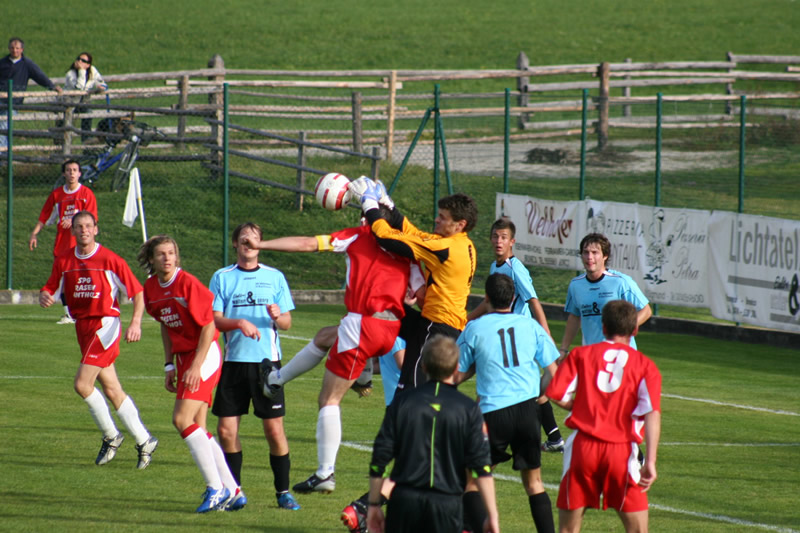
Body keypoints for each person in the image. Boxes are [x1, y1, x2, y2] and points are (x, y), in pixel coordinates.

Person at [245, 206, 413, 494]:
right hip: (393, 326)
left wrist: (262, 244)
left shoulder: (359, 235)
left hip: (362, 322)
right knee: (325, 337)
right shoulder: (407, 244)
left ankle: (325, 473)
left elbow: (309, 243)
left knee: (329, 399)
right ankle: (275, 380)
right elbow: (416, 292)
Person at [39, 210, 157, 469]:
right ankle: (144, 439)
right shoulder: (64, 260)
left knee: (82, 384)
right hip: (82, 327)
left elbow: (137, 293)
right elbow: (50, 286)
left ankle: (112, 435)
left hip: (105, 325)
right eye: (79, 226)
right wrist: (45, 295)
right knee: (113, 390)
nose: (83, 230)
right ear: (73, 231)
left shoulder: (110, 259)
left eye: (88, 226)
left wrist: (135, 322)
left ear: (96, 229)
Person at [138, 234, 243, 513]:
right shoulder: (150, 288)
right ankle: (233, 490)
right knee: (199, 427)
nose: (168, 258)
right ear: (151, 259)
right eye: (161, 254)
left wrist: (196, 366)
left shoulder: (187, 283)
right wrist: (169, 364)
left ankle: (215, 488)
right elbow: (165, 323)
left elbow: (209, 326)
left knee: (181, 419)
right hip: (184, 358)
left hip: (205, 354)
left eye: (171, 253)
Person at [546, 300, 662, 533]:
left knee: (568, 529)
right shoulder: (645, 366)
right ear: (635, 329)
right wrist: (650, 461)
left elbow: (555, 393)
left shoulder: (581, 354)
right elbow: (652, 413)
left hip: (583, 448)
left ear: (604, 327)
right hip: (621, 451)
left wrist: (578, 407)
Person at [208, 222, 301, 511]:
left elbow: (286, 323)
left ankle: (283, 492)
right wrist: (238, 323)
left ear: (261, 244)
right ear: (235, 244)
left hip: (267, 366)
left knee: (274, 432)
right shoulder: (222, 277)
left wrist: (278, 315)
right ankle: (234, 492)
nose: (249, 243)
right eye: (244, 239)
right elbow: (213, 320)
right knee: (226, 431)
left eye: (255, 238)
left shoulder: (274, 277)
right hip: (234, 364)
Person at [456, 273, 558, 533]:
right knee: (534, 483)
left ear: (486, 298)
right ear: (513, 299)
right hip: (528, 410)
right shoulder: (530, 326)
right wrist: (536, 391)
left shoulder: (475, 328)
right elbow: (553, 373)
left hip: (492, 413)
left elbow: (456, 373)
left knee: (470, 480)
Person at [366, 335, 499, 533]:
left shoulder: (402, 402)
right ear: (456, 368)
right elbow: (481, 467)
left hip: (404, 501)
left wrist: (374, 504)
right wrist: (492, 515)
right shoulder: (469, 409)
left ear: (424, 366)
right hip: (446, 504)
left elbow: (380, 457)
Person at [355, 180, 478, 391]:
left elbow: (387, 238)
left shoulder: (445, 248)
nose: (436, 219)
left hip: (436, 328)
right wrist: (390, 207)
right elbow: (414, 234)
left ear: (460, 224)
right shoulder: (462, 244)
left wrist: (370, 206)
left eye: (443, 217)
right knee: (379, 308)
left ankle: (363, 370)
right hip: (440, 326)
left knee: (411, 393)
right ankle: (363, 368)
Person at [467, 217, 565, 453]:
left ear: (512, 242)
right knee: (532, 391)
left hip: (519, 337)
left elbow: (533, 301)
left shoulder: (515, 268)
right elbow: (489, 300)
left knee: (510, 387)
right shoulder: (495, 267)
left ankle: (481, 433)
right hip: (504, 334)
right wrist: (468, 318)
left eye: (503, 238)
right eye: (495, 236)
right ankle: (554, 438)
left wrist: (546, 334)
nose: (498, 241)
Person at [560, 233, 652, 357]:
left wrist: (625, 329)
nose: (589, 257)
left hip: (622, 355)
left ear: (605, 256)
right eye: (586, 252)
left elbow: (646, 311)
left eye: (594, 252)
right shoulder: (576, 285)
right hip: (591, 356)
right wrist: (564, 349)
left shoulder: (621, 282)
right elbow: (574, 317)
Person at [30, 159, 98, 324]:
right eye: (68, 170)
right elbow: (44, 216)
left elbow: (92, 219)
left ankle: (91, 309)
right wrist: (34, 234)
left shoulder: (86, 194)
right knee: (64, 278)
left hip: (81, 245)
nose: (72, 173)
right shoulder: (57, 195)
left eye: (75, 170)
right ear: (64, 174)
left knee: (85, 278)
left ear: (80, 174)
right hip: (62, 244)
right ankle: (69, 314)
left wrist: (75, 221)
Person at [1, 37, 62, 148]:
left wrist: (51, 86)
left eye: (17, 48)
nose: (15, 50)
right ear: (9, 49)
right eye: (12, 48)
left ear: (22, 49)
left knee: (4, 126)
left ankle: (2, 154)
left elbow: (39, 76)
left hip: (13, 102)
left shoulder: (27, 64)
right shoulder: (3, 63)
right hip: (1, 99)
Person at [61, 52, 107, 142]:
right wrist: (82, 71)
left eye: (83, 61)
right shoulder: (71, 74)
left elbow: (102, 82)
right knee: (66, 122)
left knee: (88, 113)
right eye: (78, 59)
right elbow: (79, 88)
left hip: (83, 102)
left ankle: (86, 141)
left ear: (88, 65)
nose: (79, 61)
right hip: (70, 102)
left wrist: (100, 87)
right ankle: (61, 143)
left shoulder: (92, 71)